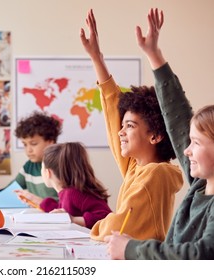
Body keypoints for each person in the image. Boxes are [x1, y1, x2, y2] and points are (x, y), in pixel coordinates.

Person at [105, 8, 214, 260]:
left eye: (196, 143)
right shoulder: (199, 184)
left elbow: (202, 255)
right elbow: (177, 116)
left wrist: (132, 249)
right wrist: (154, 55)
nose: (186, 150)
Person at [80, 9, 183, 241]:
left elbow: (116, 226)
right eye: (124, 125)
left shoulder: (157, 173)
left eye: (130, 126)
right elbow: (112, 107)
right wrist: (96, 57)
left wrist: (96, 228)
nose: (120, 132)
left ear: (155, 135)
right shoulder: (135, 168)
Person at [0, 111, 60, 202]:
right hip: (38, 214)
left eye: (33, 144)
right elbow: (12, 189)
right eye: (25, 144)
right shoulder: (28, 167)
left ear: (50, 142)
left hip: (57, 215)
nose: (28, 150)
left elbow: (68, 200)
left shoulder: (61, 165)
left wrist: (42, 202)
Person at [39, 142, 112, 229]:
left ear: (48, 172)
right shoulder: (66, 194)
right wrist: (44, 203)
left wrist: (73, 220)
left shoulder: (73, 194)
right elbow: (67, 211)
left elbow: (106, 217)